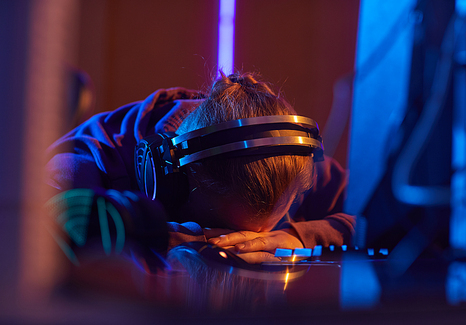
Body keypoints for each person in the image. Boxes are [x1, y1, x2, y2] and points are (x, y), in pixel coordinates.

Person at [45, 71, 355, 267]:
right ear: (164, 178)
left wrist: (297, 237)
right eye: (225, 231)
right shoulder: (83, 162)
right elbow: (33, 233)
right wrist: (163, 237)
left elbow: (385, 219)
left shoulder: (281, 160)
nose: (245, 245)